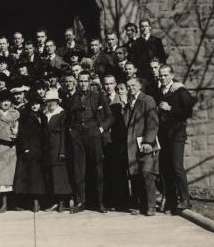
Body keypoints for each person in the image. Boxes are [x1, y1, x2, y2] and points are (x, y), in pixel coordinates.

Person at [67, 71, 114, 213]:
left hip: (94, 135)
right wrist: (72, 131)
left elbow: (110, 117)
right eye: (80, 81)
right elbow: (69, 119)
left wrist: (100, 129)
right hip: (78, 138)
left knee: (97, 169)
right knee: (78, 170)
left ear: (90, 82)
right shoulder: (72, 98)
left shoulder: (98, 96)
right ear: (77, 82)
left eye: (85, 81)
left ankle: (99, 202)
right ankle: (81, 202)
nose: (83, 84)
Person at [157, 64, 194, 213]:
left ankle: (185, 200)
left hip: (177, 134)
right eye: (161, 75)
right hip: (164, 135)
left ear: (172, 75)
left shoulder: (180, 90)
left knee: (177, 166)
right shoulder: (160, 91)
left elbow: (188, 111)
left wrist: (170, 109)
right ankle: (172, 201)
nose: (163, 78)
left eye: (165, 75)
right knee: (166, 168)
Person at [124, 78, 159, 216]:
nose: (130, 88)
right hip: (132, 144)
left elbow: (152, 121)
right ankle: (139, 204)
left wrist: (148, 141)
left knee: (147, 173)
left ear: (139, 86)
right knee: (136, 174)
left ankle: (151, 206)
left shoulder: (147, 100)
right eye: (128, 86)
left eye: (133, 85)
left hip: (145, 143)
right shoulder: (129, 103)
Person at [0, 90, 20, 213]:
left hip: (12, 149)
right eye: (2, 101)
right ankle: (3, 204)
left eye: (7, 101)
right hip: (0, 148)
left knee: (12, 178)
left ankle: (13, 203)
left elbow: (19, 131)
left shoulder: (16, 114)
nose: (5, 103)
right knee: (1, 179)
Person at [14, 94, 47, 212]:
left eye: (37, 104)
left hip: (40, 151)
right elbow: (22, 134)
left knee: (37, 178)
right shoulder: (24, 117)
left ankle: (38, 202)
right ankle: (31, 203)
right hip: (29, 150)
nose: (34, 106)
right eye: (32, 104)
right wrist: (25, 147)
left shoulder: (43, 117)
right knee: (29, 178)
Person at [102, 75, 129, 210]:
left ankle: (121, 202)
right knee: (107, 171)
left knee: (119, 171)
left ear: (115, 84)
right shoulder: (101, 99)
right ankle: (109, 201)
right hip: (106, 139)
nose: (108, 86)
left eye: (111, 84)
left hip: (119, 139)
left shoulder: (121, 99)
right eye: (106, 84)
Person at [43, 90, 72, 213]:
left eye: (53, 101)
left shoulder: (62, 113)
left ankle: (62, 202)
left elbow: (64, 134)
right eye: (49, 101)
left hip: (58, 148)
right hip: (48, 149)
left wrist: (62, 151)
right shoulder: (45, 114)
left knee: (60, 176)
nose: (51, 103)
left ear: (57, 101)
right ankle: (54, 202)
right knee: (51, 176)